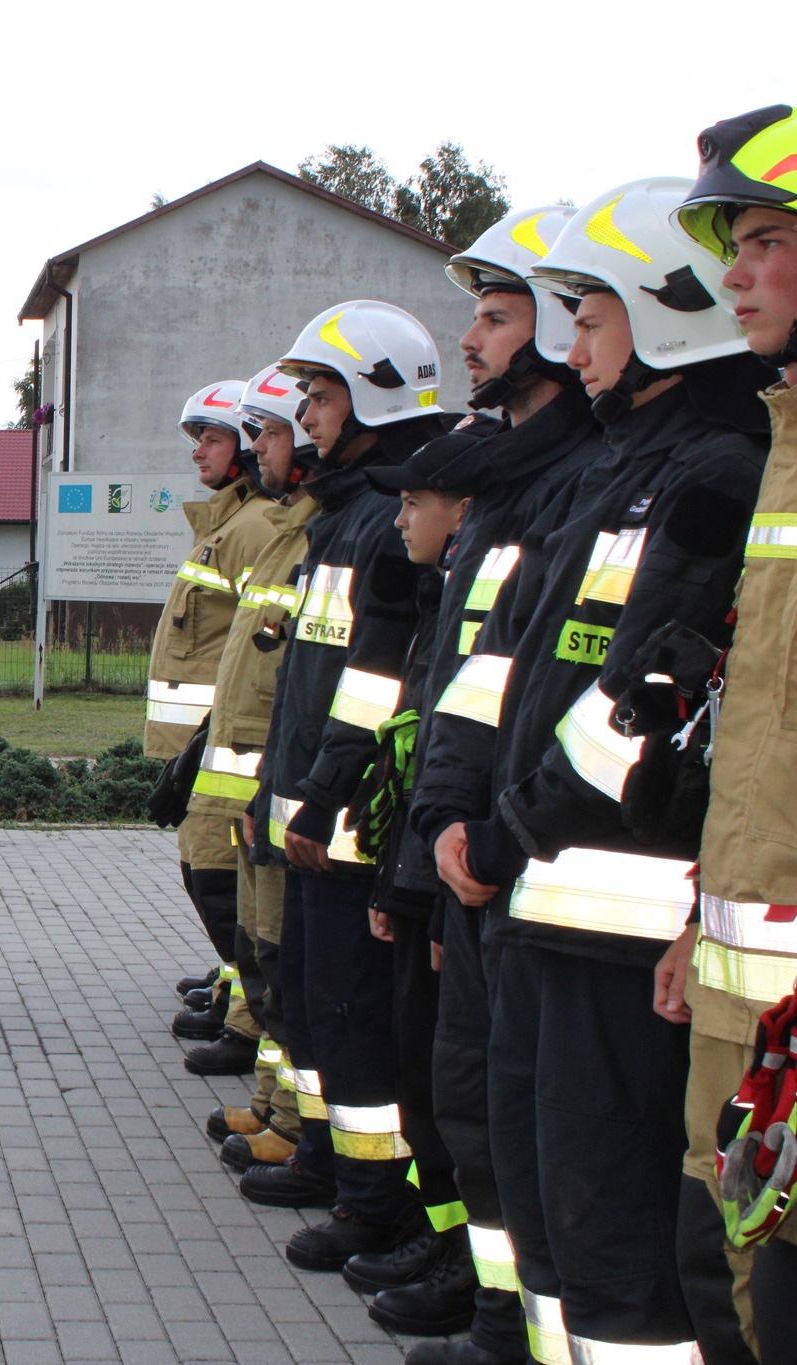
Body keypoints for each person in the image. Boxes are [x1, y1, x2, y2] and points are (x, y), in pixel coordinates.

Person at [441, 177, 766, 1364]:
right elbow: (517, 675)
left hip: (608, 923)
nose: (567, 345)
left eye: (587, 318)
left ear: (664, 317)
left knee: (617, 1244)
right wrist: (461, 819)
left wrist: (496, 832)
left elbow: (635, 711)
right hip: (538, 902)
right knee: (551, 1223)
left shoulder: (712, 476)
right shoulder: (624, 471)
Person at [392, 204, 603, 1365]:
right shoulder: (516, 482)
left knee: (535, 1133)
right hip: (473, 850)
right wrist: (436, 834)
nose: (470, 340)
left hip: (530, 865)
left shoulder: (575, 485)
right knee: (475, 1107)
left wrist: (479, 836)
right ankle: (493, 1314)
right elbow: (466, 686)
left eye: (494, 315)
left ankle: (512, 1326)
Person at [242, 301, 450, 1272]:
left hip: (351, 826)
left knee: (354, 1022)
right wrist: (273, 793)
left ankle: (372, 1204)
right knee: (321, 1007)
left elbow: (372, 683)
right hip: (315, 810)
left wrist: (320, 794)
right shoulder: (347, 520)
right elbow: (305, 683)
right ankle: (334, 1163)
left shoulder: (377, 526)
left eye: (319, 395)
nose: (305, 412)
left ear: (369, 394)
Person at [668, 103, 797, 1362]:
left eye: (762, 238)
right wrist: (692, 919)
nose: (733, 273)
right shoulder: (778, 455)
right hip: (740, 1012)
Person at [350, 434, 481, 1336]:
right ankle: (441, 1241)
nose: (399, 520)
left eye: (414, 503)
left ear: (461, 509)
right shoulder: (441, 592)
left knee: (449, 1090)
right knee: (423, 1072)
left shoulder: (474, 590)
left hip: (451, 874)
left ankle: (462, 1265)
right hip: (420, 861)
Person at [193, 363, 320, 1176]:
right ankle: (279, 1109)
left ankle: (301, 1130)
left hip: (284, 786)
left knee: (281, 955)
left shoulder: (310, 534)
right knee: (264, 947)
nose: (253, 446)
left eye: (268, 432)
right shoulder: (282, 531)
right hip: (253, 780)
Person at [149, 381, 279, 1070]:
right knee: (214, 875)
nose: (198, 448)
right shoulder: (229, 525)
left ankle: (247, 1016)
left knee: (220, 877)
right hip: (206, 738)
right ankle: (235, 989)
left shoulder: (254, 528)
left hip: (228, 743)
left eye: (212, 436)